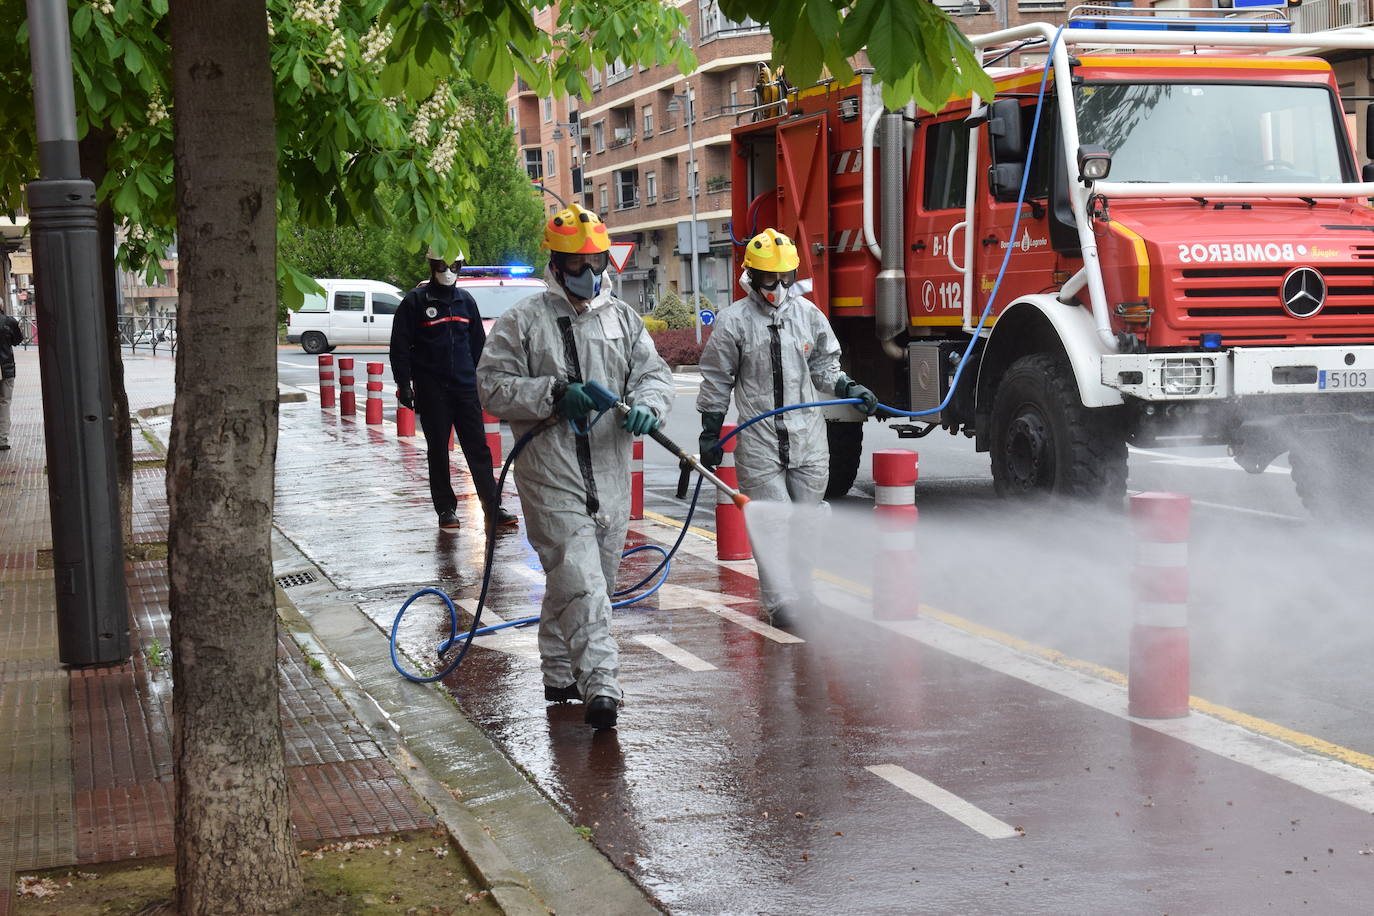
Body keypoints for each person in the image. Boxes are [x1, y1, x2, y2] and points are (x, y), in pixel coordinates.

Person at [477, 204, 673, 730]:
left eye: (598, 262)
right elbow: (491, 388)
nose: (590, 274)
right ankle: (602, 687)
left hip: (609, 475)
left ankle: (559, 673)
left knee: (585, 583)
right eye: (578, 264)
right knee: (580, 579)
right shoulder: (523, 321)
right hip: (550, 474)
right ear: (557, 265)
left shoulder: (624, 319)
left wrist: (650, 403)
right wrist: (554, 394)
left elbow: (653, 373)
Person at [694, 228, 880, 626]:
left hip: (808, 438)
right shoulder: (733, 323)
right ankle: (781, 603)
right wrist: (711, 432)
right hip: (760, 440)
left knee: (808, 520)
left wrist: (850, 386)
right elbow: (716, 379)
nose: (778, 286)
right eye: (768, 278)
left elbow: (825, 367)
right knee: (774, 522)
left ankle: (805, 590)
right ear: (751, 277)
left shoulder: (810, 316)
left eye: (785, 278)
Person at [390, 247, 518, 532]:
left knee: (478, 449)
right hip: (432, 389)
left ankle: (492, 506)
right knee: (438, 450)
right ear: (431, 265)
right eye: (442, 265)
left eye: (454, 266)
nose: (448, 271)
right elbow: (399, 347)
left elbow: (478, 348)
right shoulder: (415, 302)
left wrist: (485, 382)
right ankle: (446, 509)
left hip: (465, 388)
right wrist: (404, 385)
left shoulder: (465, 301)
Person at [0, 304, 21, 451]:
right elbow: (17, 340)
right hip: (5, 368)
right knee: (5, 402)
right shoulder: (9, 322)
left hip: (5, 368)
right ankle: (2, 439)